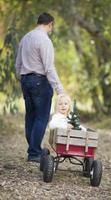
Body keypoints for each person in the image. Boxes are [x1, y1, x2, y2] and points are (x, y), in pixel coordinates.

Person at [15, 12, 64, 162]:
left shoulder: (25, 38)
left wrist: (22, 78)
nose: (51, 29)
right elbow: (49, 68)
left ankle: (34, 149)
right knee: (41, 117)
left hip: (25, 80)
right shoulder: (44, 40)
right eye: (51, 27)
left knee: (30, 116)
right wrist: (60, 89)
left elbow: (17, 64)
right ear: (50, 24)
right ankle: (35, 153)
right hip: (39, 81)